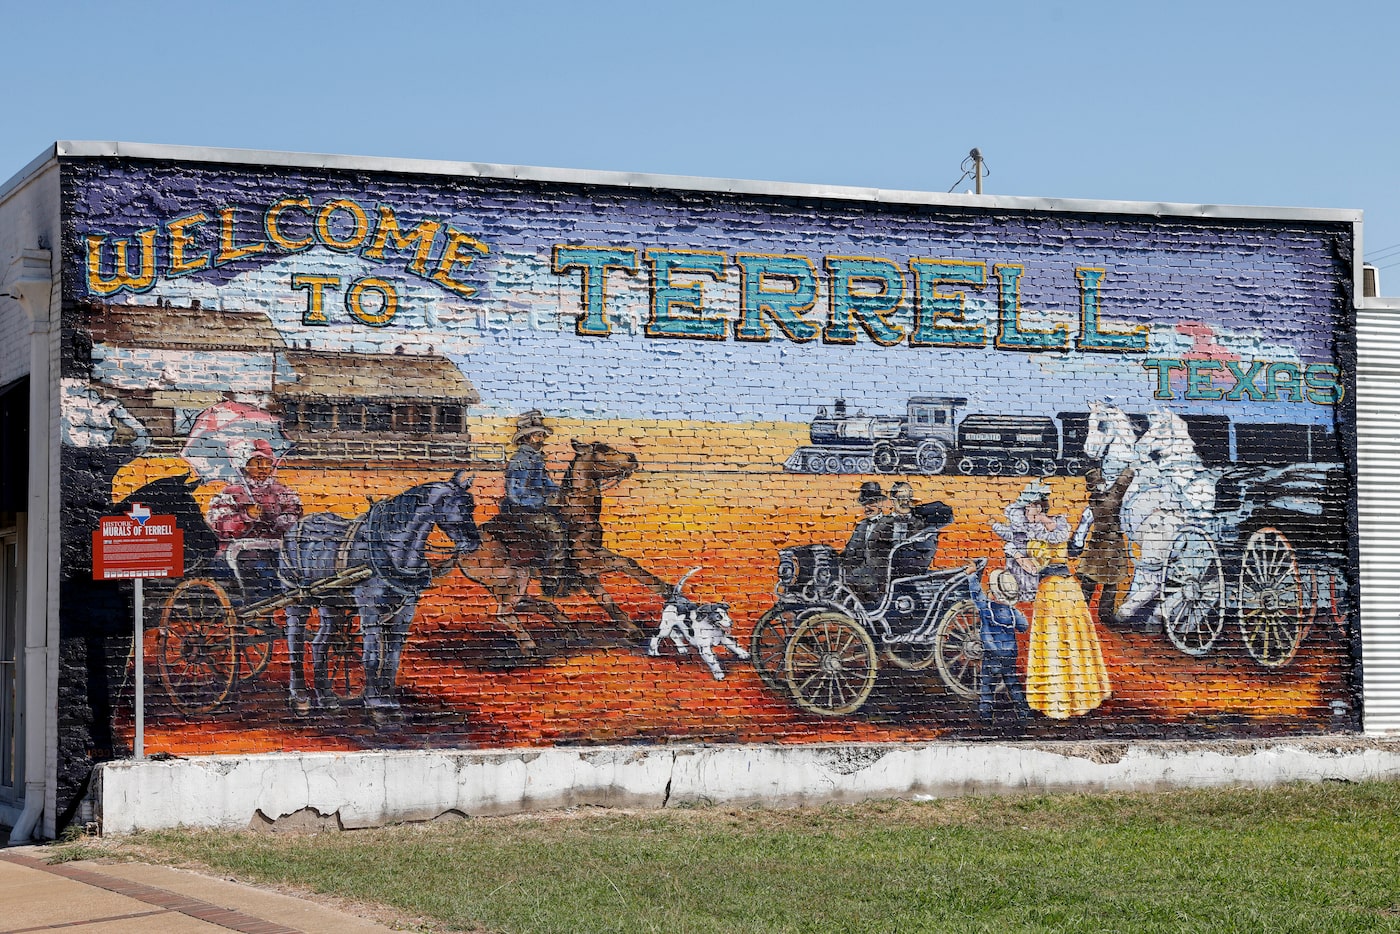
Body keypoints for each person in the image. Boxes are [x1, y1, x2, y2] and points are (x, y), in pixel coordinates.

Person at [1012, 482, 1112, 719]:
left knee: (1059, 641)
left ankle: (1062, 700)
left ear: (1037, 507)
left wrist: (1019, 556)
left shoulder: (1045, 529)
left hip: (1056, 590)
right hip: (1060, 590)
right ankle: (1073, 694)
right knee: (1067, 641)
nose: (1026, 514)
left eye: (1028, 509)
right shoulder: (1048, 527)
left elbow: (1040, 563)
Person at [207, 439, 302, 604]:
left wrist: (282, 521)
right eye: (258, 462)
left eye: (268, 463)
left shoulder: (281, 491)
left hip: (276, 547)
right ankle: (259, 606)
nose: (264, 468)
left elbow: (295, 512)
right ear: (245, 465)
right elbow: (220, 526)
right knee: (260, 568)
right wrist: (246, 516)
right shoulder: (232, 492)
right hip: (242, 550)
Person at [500, 409, 571, 596]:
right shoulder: (521, 460)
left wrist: (562, 493)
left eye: (542, 435)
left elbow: (546, 483)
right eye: (538, 435)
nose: (542, 438)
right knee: (556, 532)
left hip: (536, 507)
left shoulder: (536, 458)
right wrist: (545, 500)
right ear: (528, 437)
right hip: (522, 511)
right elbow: (517, 495)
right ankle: (551, 582)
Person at [965, 563, 1030, 724]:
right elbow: (1023, 626)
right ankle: (1024, 714)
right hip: (1009, 656)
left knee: (987, 687)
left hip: (992, 654)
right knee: (1013, 685)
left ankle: (986, 717)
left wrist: (972, 576)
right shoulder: (1013, 612)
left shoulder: (987, 608)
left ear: (994, 593)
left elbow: (976, 594)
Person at [1073, 465, 1135, 628]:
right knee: (1110, 584)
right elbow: (1122, 484)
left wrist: (1077, 542)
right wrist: (1130, 469)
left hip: (1096, 547)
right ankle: (1105, 615)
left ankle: (1080, 611)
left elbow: (1084, 525)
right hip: (1112, 547)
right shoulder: (1110, 499)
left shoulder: (1092, 502)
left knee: (1089, 581)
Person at [841, 481, 886, 602]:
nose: (867, 508)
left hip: (877, 580)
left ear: (880, 503)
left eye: (871, 503)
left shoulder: (890, 524)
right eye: (864, 504)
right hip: (857, 577)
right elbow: (849, 552)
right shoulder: (861, 526)